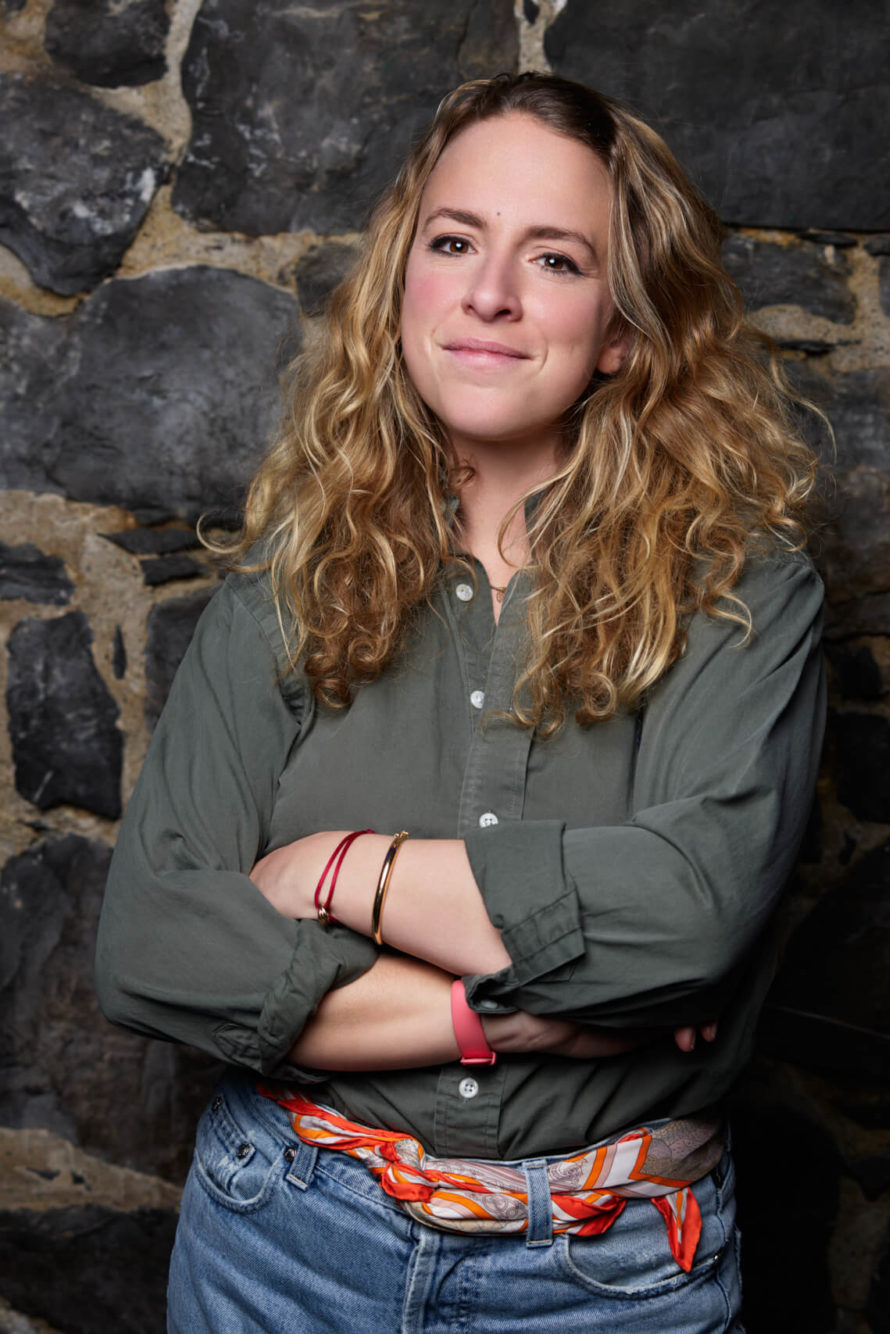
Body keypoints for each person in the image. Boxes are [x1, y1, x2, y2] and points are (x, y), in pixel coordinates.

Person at [96, 72, 825, 1332]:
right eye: (454, 242)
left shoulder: (742, 594)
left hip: (606, 1280)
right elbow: (155, 945)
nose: (489, 292)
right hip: (280, 1237)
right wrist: (506, 1015)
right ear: (403, 289)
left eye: (553, 258)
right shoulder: (289, 578)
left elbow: (688, 921)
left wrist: (343, 869)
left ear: (624, 329)